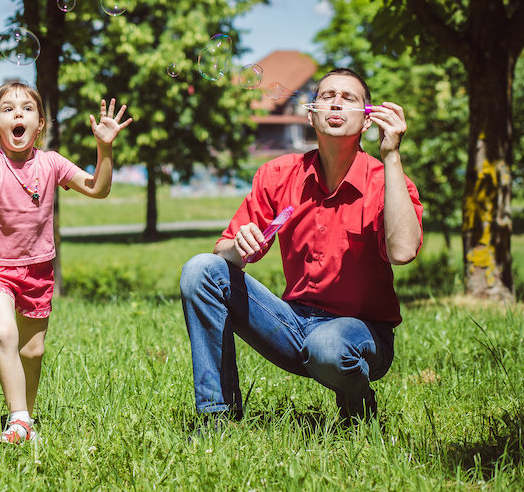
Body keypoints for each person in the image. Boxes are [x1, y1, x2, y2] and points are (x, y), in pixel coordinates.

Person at [179, 68, 423, 429]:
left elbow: (403, 252)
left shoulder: (387, 180)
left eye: (349, 97)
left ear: (367, 119)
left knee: (327, 346)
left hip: (361, 334)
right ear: (311, 114)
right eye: (327, 95)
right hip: (293, 325)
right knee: (200, 269)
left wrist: (391, 155)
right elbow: (222, 257)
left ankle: (359, 410)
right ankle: (218, 419)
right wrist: (237, 247)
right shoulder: (278, 175)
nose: (337, 101)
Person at [0, 81, 132, 443]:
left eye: (27, 108)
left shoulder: (51, 163)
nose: (18, 113)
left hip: (38, 270)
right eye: (8, 109)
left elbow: (98, 188)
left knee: (33, 352)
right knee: (5, 334)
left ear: (41, 123)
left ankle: (24, 418)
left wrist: (104, 147)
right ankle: (18, 421)